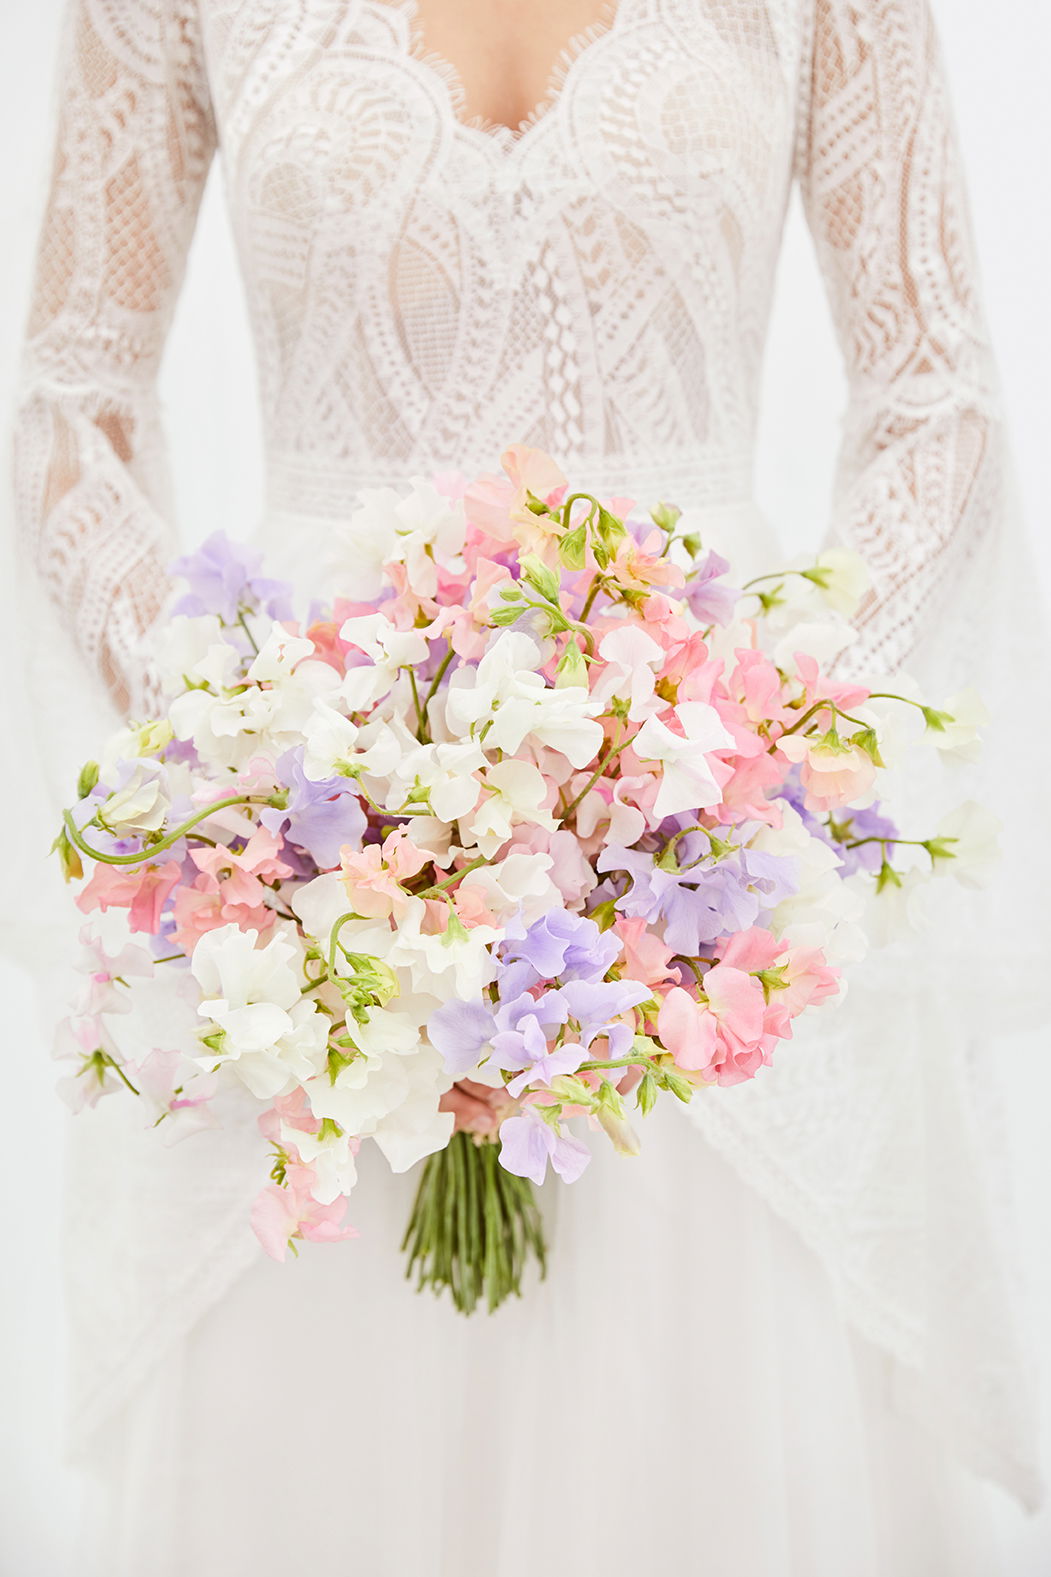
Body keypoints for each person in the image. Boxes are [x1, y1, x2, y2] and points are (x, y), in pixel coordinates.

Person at [12, 2, 1046, 1572]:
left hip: (707, 869)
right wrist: (251, 731)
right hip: (318, 873)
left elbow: (934, 401)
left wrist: (746, 727)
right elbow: (68, 406)